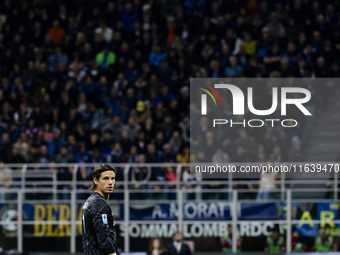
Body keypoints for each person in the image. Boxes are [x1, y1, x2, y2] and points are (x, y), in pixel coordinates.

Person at [82, 163, 118, 255]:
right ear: (96, 180)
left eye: (112, 178)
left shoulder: (91, 201)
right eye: (105, 178)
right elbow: (103, 238)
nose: (110, 182)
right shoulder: (98, 203)